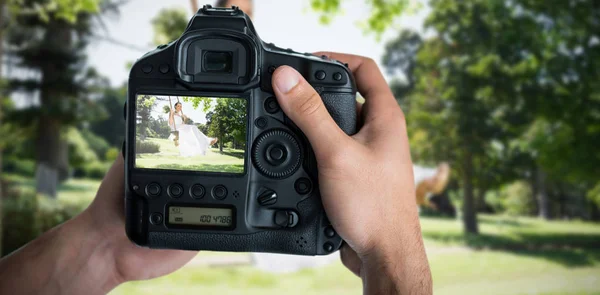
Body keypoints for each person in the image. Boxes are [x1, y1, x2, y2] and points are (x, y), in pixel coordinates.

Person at [0, 53, 433, 294]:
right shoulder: (179, 125)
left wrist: (386, 247)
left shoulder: (195, 126)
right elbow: (178, 124)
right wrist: (392, 255)